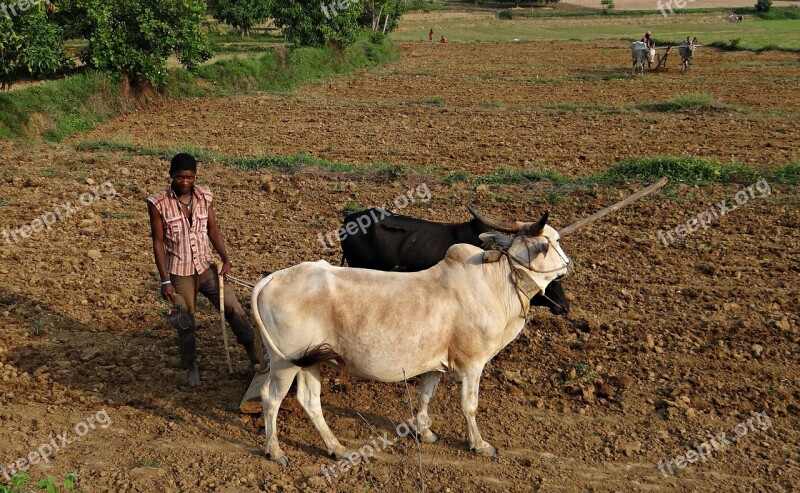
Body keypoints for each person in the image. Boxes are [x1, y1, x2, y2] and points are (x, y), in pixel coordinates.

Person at [147, 153, 261, 386]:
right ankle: (191, 364)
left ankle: (254, 356)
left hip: (207, 267)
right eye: (179, 177)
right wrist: (164, 280)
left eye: (189, 177)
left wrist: (225, 259)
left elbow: (212, 229)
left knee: (234, 308)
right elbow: (157, 242)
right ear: (171, 176)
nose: (185, 182)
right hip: (180, 271)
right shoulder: (158, 203)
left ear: (195, 176)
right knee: (185, 319)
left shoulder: (205, 197)